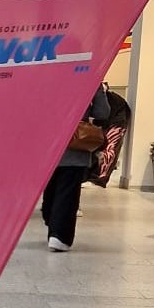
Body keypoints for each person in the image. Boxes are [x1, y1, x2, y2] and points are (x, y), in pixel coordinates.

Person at [42, 87, 110, 252]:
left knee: (51, 188)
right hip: (75, 143)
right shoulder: (89, 74)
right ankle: (59, 235)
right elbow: (102, 113)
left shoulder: (47, 72)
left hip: (47, 143)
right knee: (67, 192)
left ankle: (51, 220)